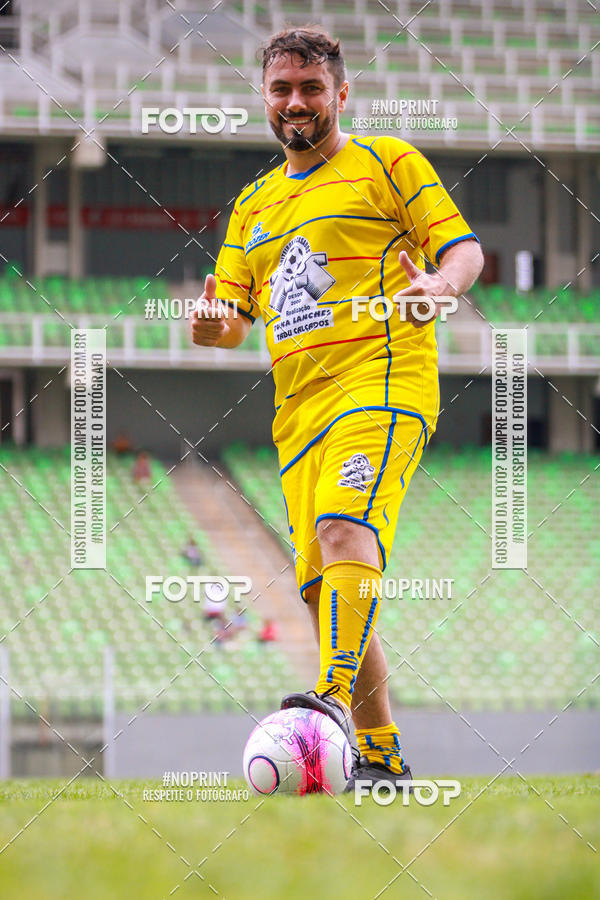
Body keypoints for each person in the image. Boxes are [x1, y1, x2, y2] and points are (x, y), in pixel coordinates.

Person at [191, 26, 483, 792]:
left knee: (344, 529)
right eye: (282, 88)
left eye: (312, 88)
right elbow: (229, 324)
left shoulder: (388, 162)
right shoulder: (252, 205)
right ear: (265, 96)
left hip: (382, 383)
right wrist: (207, 322)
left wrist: (441, 288)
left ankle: (327, 702)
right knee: (327, 592)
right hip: (299, 417)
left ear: (340, 94)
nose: (296, 102)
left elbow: (464, 249)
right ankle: (383, 755)